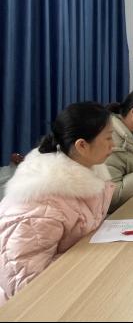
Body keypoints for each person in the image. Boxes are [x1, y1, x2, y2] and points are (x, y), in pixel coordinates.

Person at [0, 102, 114, 304]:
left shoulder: (86, 174)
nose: (113, 145)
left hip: (75, 288)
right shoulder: (40, 203)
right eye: (108, 138)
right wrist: (96, 263)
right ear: (82, 145)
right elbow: (26, 285)